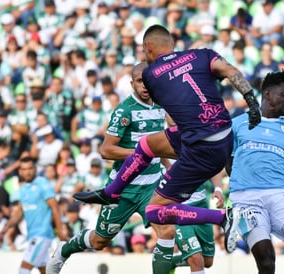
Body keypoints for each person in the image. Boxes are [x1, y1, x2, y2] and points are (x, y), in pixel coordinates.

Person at [73, 24, 261, 271]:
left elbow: (164, 105)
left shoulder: (151, 74)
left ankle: (225, 218)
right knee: (148, 144)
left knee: (153, 211)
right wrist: (251, 101)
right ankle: (112, 192)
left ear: (148, 48)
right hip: (221, 134)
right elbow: (229, 70)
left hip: (200, 147)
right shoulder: (201, 53)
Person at [46, 62, 168, 274]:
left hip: (152, 187)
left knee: (167, 230)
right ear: (132, 83)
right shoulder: (124, 110)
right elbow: (106, 150)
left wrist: (167, 167)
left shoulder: (160, 105)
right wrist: (141, 153)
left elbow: (160, 144)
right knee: (100, 240)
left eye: (148, 80)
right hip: (124, 188)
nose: (145, 85)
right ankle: (65, 249)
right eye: (140, 81)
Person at [226, 68, 284, 274]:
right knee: (267, 261)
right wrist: (242, 184)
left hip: (278, 194)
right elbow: (228, 162)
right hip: (246, 199)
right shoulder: (238, 124)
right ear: (267, 93)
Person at [2, 156, 67, 274]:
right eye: (24, 169)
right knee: (46, 271)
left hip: (42, 235)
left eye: (30, 168)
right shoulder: (22, 188)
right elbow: (20, 211)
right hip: (32, 235)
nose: (28, 171)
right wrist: (8, 225)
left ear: (35, 169)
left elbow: (55, 207)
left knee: (24, 269)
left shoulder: (42, 183)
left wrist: (60, 231)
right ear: (20, 171)